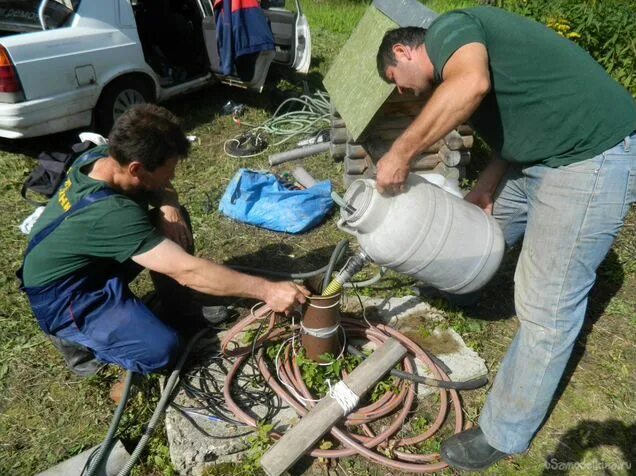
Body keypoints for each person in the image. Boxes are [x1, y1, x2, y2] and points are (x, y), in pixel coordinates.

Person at [375, 6, 636, 472]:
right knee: (480, 227)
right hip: (540, 155)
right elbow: (512, 133)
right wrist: (487, 184)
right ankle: (465, 286)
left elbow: (471, 84)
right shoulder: (457, 62)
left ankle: (504, 433)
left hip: (586, 158)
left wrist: (401, 152)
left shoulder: (451, 30)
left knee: (546, 308)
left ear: (403, 50)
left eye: (397, 79)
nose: (402, 92)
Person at [18, 104, 309, 377]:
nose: (172, 176)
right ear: (136, 168)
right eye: (168, 169)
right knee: (163, 350)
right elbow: (188, 270)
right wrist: (268, 291)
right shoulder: (111, 215)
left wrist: (168, 203)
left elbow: (163, 190)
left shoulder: (104, 156)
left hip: (90, 261)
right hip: (66, 297)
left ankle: (178, 309)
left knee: (172, 217)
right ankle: (77, 342)